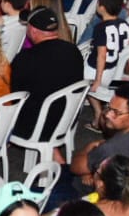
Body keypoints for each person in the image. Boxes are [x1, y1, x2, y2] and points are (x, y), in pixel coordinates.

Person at [9, 7, 85, 137]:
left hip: (36, 127)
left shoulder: (26, 58)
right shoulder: (74, 50)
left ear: (32, 31)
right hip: (67, 119)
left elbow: (13, 94)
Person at [69, 82, 129, 194]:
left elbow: (75, 167)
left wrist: (90, 147)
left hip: (95, 195)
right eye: (109, 108)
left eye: (116, 112)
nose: (108, 114)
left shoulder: (110, 148)